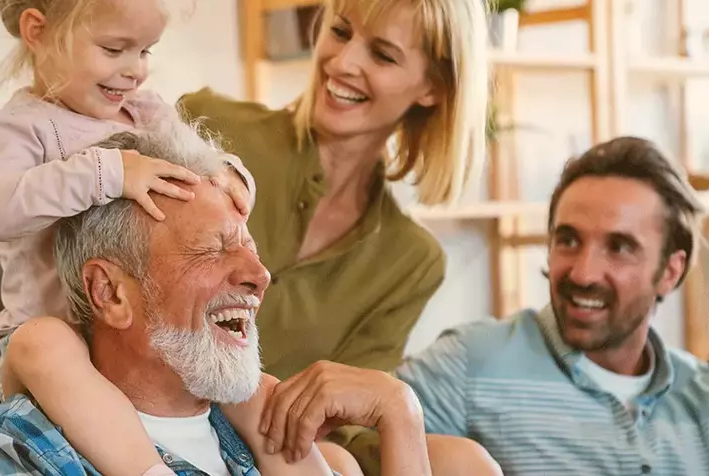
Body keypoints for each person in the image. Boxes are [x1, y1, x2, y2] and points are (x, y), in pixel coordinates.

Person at [0, 125, 436, 475]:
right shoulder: (16, 449)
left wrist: (401, 416)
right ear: (111, 293)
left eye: (250, 248)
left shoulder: (280, 445)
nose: (259, 275)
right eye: (213, 250)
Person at [311, 137, 709, 475]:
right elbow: (345, 453)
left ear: (671, 271)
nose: (582, 272)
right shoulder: (469, 363)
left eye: (619, 247)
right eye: (568, 240)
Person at [0, 0, 288, 474]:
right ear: (38, 31)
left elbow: (203, 165)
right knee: (44, 342)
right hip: (55, 333)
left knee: (261, 393)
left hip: (140, 336)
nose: (135, 71)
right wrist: (109, 173)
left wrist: (232, 177)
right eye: (115, 48)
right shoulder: (18, 131)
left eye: (146, 51)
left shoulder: (144, 111)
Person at [177, 0, 489, 379]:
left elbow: (347, 422)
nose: (341, 63)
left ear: (433, 87)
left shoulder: (410, 264)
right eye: (340, 32)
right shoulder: (209, 126)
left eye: (382, 55)